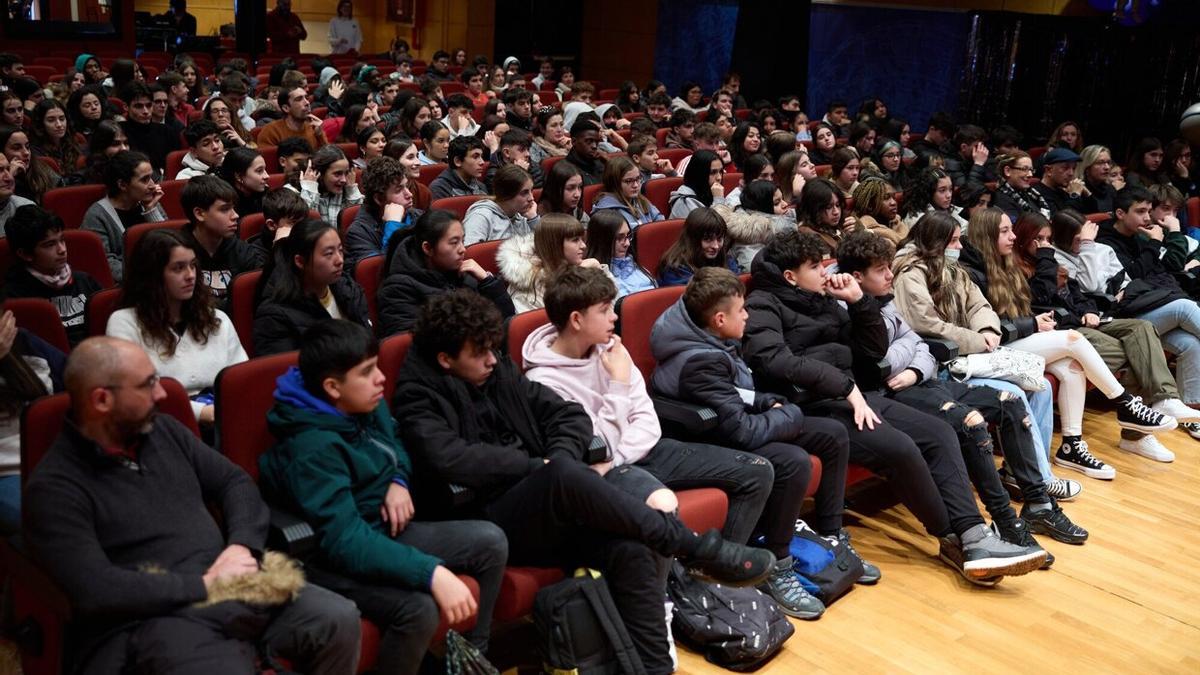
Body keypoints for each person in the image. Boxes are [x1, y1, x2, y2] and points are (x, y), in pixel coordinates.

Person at [393, 289, 775, 674]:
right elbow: (451, 458)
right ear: (445, 360)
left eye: (494, 348)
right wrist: (536, 467)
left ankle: (654, 668)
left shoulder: (495, 369)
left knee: (633, 547)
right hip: (485, 513)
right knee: (562, 475)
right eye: (480, 354)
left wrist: (555, 460)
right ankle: (694, 547)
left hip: (546, 501)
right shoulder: (417, 395)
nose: (493, 359)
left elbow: (569, 417)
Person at [24, 335, 361, 673]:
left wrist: (242, 546)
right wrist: (205, 584)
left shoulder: (164, 431)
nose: (161, 394)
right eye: (147, 385)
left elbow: (235, 482)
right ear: (101, 400)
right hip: (149, 618)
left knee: (338, 619)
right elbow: (96, 590)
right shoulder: (55, 488)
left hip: (232, 587)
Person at [739, 231, 1047, 582]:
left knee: (940, 432)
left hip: (855, 395)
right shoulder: (763, 303)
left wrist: (858, 303)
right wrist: (843, 386)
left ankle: (975, 534)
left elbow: (871, 352)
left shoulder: (823, 297)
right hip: (811, 407)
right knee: (901, 448)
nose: (825, 272)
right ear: (790, 276)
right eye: (815, 266)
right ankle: (955, 538)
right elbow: (774, 361)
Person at [260, 319, 505, 673]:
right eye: (367, 372)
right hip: (331, 558)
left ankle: (470, 660)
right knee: (419, 609)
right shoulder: (311, 447)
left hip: (382, 527)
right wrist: (431, 573)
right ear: (332, 387)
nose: (381, 379)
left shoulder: (362, 403)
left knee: (490, 541)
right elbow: (344, 540)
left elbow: (395, 441)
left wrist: (399, 481)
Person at [645, 266, 875, 614]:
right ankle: (777, 566)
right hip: (708, 436)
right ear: (720, 319)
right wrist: (788, 415)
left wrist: (766, 402)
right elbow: (741, 431)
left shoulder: (711, 336)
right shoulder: (699, 360)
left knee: (832, 435)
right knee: (793, 461)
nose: (748, 315)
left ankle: (831, 538)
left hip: (732, 418)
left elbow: (737, 392)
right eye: (742, 311)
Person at [836, 231, 1082, 556]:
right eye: (881, 269)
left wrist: (912, 366)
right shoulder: (847, 309)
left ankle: (1038, 504)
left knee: (1009, 403)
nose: (889, 274)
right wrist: (905, 356)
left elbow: (917, 344)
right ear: (857, 277)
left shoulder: (885, 298)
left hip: (919, 380)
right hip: (892, 395)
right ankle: (1005, 521)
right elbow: (878, 362)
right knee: (970, 421)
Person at [955, 207, 1176, 477]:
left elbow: (1022, 310)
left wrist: (1037, 320)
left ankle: (1071, 446)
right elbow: (986, 327)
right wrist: (1033, 324)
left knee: (1072, 365)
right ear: (986, 235)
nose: (1012, 236)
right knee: (1073, 339)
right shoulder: (967, 272)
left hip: (1017, 339)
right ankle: (1125, 403)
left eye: (1011, 229)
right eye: (1004, 231)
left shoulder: (1004, 263)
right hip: (989, 349)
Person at [890, 212, 1081, 502]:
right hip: (942, 363)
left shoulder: (952, 269)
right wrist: (977, 340)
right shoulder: (910, 273)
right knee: (1014, 392)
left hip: (971, 353)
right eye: (953, 240)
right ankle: (1039, 480)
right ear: (935, 242)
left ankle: (1021, 474)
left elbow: (979, 303)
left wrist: (988, 329)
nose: (958, 247)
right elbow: (927, 325)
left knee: (1039, 387)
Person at [1013, 211, 1198, 458]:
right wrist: (1048, 258)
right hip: (1063, 329)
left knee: (1141, 329)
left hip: (1088, 319)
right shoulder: (1023, 267)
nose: (1045, 244)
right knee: (1137, 353)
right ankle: (1135, 437)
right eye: (1039, 239)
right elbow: (1042, 300)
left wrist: (1089, 311)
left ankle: (1165, 400)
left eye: (1048, 238)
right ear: (1024, 241)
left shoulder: (1052, 261)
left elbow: (1080, 294)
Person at [106, 228, 246, 425]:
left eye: (192, 266)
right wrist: (203, 412)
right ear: (153, 275)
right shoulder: (125, 322)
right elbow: (135, 393)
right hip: (162, 424)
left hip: (225, 419)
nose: (190, 275)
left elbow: (241, 379)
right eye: (178, 268)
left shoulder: (216, 318)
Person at [1096, 187, 1200, 420]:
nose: (1146, 217)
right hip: (1124, 318)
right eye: (1140, 211)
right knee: (1185, 307)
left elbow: (1163, 270)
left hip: (1151, 308)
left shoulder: (1140, 236)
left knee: (1190, 343)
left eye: (1148, 211)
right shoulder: (1105, 243)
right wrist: (1154, 244)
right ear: (1121, 213)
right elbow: (1130, 276)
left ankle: (1191, 413)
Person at [377, 209, 514, 336]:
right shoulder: (398, 289)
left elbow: (506, 317)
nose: (463, 249)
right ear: (427, 248)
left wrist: (487, 281)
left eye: (463, 241)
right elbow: (412, 343)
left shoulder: (462, 273)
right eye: (454, 243)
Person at [254, 218, 371, 355]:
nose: (339, 260)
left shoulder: (349, 289)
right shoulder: (274, 316)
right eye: (329, 254)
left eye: (340, 250)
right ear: (300, 261)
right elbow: (286, 371)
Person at [0, 312, 64, 533]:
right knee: (53, 520)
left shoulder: (25, 341)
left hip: (57, 459)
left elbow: (78, 376)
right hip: (7, 473)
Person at [2, 205, 100, 346]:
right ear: (25, 254)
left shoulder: (84, 281)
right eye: (49, 245)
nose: (62, 250)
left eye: (62, 240)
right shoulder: (15, 298)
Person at [82, 150, 166, 283]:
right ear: (122, 185)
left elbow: (171, 244)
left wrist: (151, 210)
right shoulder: (97, 215)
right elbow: (105, 264)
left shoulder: (149, 202)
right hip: (128, 285)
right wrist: (145, 277)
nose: (152, 185)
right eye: (144, 180)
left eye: (151, 177)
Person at [177, 175, 265, 303]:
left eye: (233, 208)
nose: (235, 216)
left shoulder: (243, 252)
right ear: (199, 214)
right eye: (224, 209)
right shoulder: (174, 254)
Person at [345, 156, 417, 271]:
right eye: (398, 190)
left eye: (406, 186)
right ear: (379, 198)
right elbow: (383, 271)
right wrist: (393, 225)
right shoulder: (359, 233)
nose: (409, 194)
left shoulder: (417, 215)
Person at [714, 179, 794, 271]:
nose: (785, 204)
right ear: (758, 210)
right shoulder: (748, 247)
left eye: (782, 199)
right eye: (776, 203)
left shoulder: (784, 225)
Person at [459, 163, 537, 246]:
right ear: (506, 194)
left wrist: (533, 219)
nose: (531, 198)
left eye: (531, 191)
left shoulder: (523, 216)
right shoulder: (480, 217)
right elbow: (469, 254)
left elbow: (543, 250)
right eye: (524, 193)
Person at [658, 207, 740, 285]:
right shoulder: (676, 269)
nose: (716, 246)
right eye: (708, 239)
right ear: (692, 239)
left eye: (719, 239)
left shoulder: (726, 259)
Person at [584, 210, 654, 298]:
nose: (627, 243)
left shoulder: (638, 267)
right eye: (620, 238)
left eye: (628, 236)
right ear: (603, 241)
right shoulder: (593, 280)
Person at [289, 144, 364, 227]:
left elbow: (358, 223)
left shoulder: (346, 190)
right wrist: (309, 189)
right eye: (337, 174)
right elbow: (305, 226)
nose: (344, 180)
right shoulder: (291, 192)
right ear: (319, 173)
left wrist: (352, 190)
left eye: (346, 173)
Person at [117, 82, 180, 177]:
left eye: (149, 105)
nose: (145, 111)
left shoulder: (167, 131)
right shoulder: (118, 132)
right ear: (126, 107)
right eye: (138, 106)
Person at [592, 156, 664, 228]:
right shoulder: (606, 211)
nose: (635, 185)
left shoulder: (640, 200)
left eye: (638, 179)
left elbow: (660, 221)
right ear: (614, 183)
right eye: (628, 181)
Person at [1, 125, 61, 205]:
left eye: (27, 147)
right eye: (17, 148)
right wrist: (11, 177)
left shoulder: (41, 168)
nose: (26, 152)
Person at [899, 166, 967, 231]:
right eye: (942, 190)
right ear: (929, 192)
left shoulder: (950, 209)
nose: (949, 195)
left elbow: (966, 228)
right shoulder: (918, 218)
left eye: (950, 189)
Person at [257, 87, 327, 149]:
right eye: (299, 99)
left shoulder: (314, 128)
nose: (307, 103)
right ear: (286, 108)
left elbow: (327, 159)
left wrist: (319, 135)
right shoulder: (270, 132)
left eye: (307, 98)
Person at [29, 99, 82, 178]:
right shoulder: (34, 151)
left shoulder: (74, 140)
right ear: (41, 124)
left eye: (62, 119)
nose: (59, 125)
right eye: (51, 120)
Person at [796, 177, 853, 251]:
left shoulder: (842, 223)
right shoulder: (808, 235)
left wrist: (856, 232)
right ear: (814, 208)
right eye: (828, 207)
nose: (836, 212)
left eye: (838, 205)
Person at [670, 150, 726, 219]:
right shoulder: (684, 202)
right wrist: (718, 200)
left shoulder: (710, 192)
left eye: (720, 171)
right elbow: (712, 227)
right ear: (699, 174)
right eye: (712, 172)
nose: (719, 177)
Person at [428, 135, 488, 201]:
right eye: (475, 157)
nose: (482, 162)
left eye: (481, 157)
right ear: (458, 161)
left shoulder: (481, 187)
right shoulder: (439, 189)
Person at [484, 128, 543, 192]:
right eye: (522, 150)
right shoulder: (494, 174)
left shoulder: (534, 167)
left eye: (528, 149)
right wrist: (519, 174)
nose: (528, 154)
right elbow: (505, 198)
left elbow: (535, 195)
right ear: (507, 152)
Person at [851, 177, 907, 245]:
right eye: (886, 198)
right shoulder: (866, 232)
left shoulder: (898, 222)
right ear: (870, 205)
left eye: (893, 197)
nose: (893, 202)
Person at [1031, 148, 1087, 215]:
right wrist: (1075, 195)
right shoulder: (1036, 194)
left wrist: (1087, 193)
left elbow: (1092, 212)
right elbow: (1064, 221)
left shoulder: (1063, 192)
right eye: (1065, 168)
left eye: (1073, 168)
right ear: (1049, 170)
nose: (1071, 173)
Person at [218, 146, 270, 218]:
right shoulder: (226, 203)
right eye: (259, 171)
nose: (267, 176)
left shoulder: (264, 194)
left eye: (265, 169)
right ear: (239, 176)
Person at [538, 159, 589, 224]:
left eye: (580, 187)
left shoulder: (577, 211)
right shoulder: (542, 217)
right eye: (570, 188)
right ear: (555, 188)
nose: (577, 194)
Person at [942, 124, 990, 190]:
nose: (981, 150)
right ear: (964, 147)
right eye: (977, 147)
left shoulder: (972, 160)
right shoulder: (951, 163)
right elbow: (966, 193)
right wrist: (978, 164)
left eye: (982, 146)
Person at [1077, 145, 1119, 214]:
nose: (1107, 167)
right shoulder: (1078, 190)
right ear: (1087, 167)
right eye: (1100, 163)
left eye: (1108, 162)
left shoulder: (1111, 190)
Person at [563, 118, 606, 187]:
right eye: (589, 141)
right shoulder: (564, 170)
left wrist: (609, 163)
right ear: (574, 141)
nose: (594, 146)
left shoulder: (601, 162)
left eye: (597, 142)